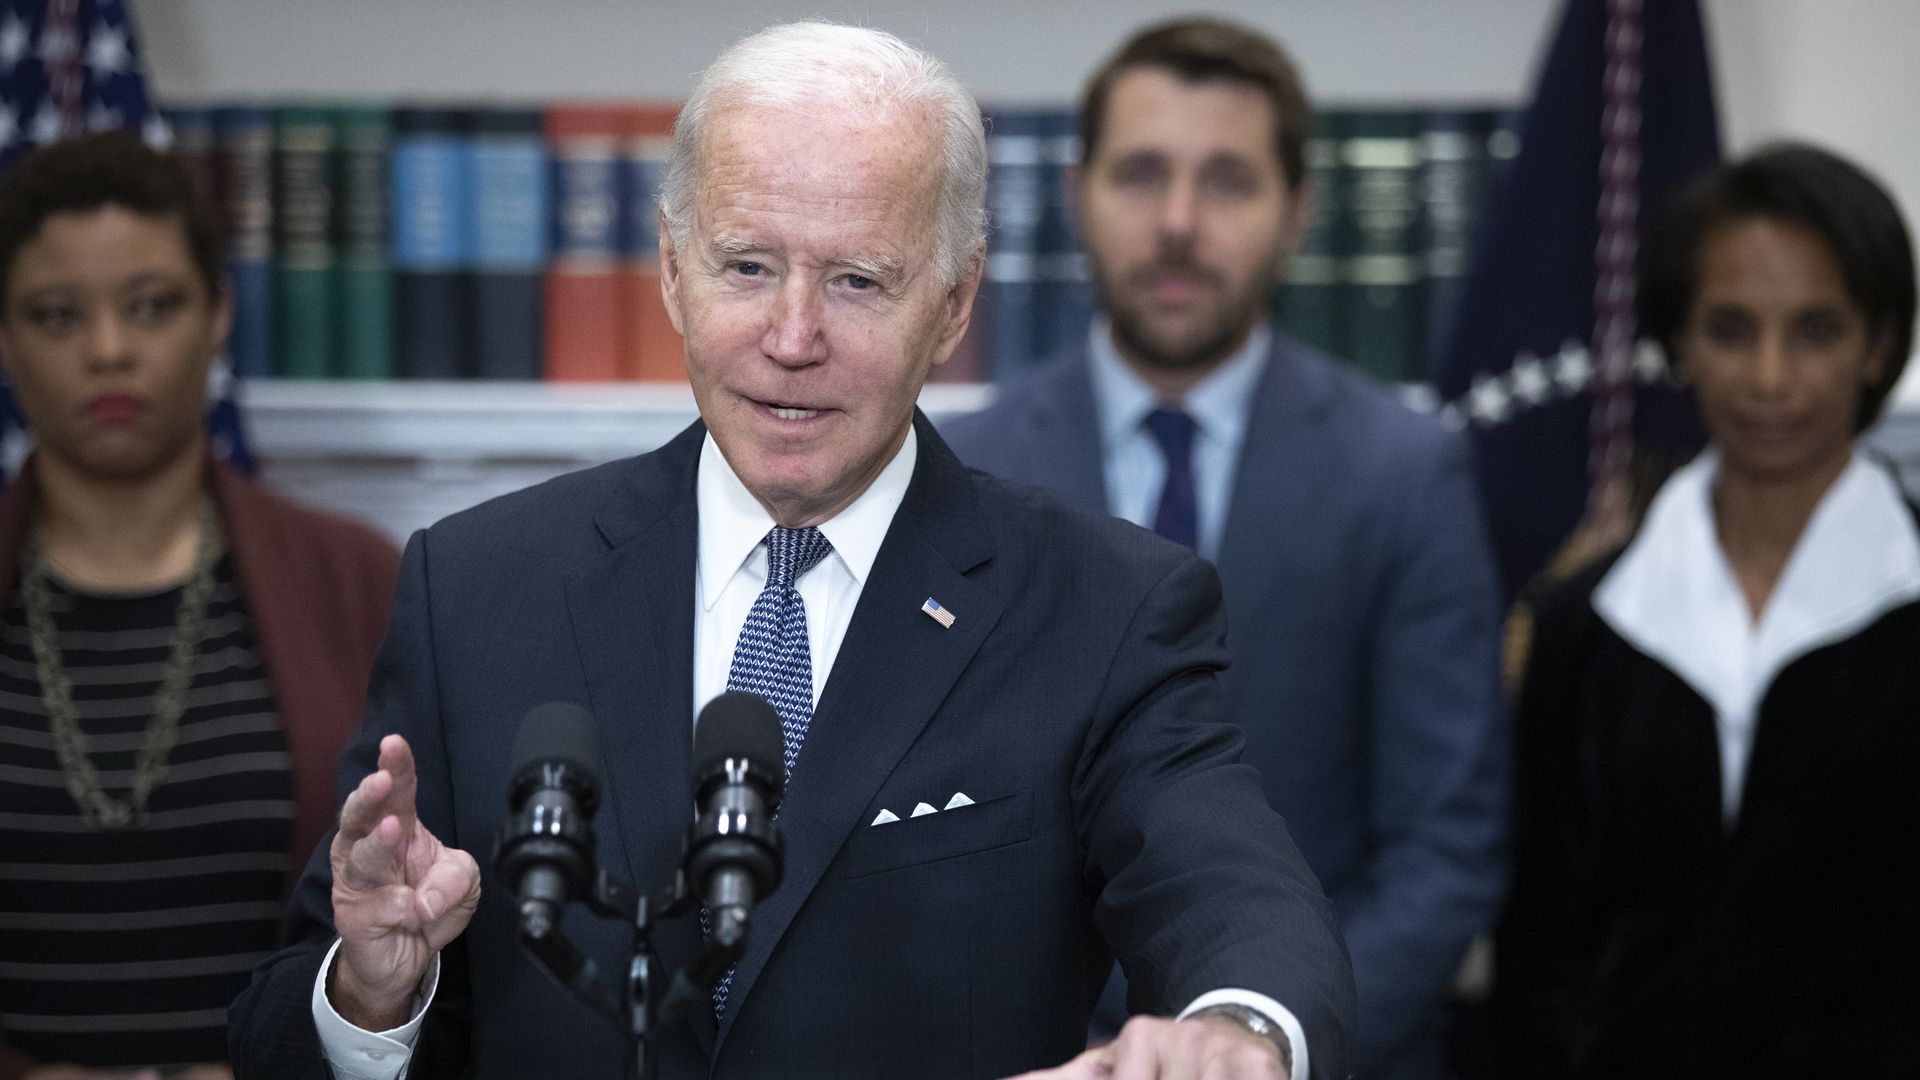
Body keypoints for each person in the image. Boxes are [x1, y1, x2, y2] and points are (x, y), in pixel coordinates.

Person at [226, 22, 1356, 1080]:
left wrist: (1238, 1032)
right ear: (673, 270)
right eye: (748, 268)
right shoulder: (475, 589)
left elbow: (1236, 897)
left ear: (954, 303)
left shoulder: (1104, 607)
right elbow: (284, 1021)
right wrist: (371, 993)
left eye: (858, 280)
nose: (793, 338)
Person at [942, 19, 1504, 1079]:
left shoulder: (1404, 474)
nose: (1178, 222)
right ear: (1076, 195)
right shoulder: (964, 471)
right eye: (1141, 174)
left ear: (1299, 210)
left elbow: (1445, 854)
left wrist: (1264, 1044)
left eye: (1228, 181)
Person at [1490, 143, 1920, 1078]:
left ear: (1879, 345)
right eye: (1730, 329)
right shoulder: (1583, 626)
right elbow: (1539, 953)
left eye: (1815, 331)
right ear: (1680, 342)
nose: (1770, 377)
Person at [0, 132, 401, 1079]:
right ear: (6, 338)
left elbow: (423, 919)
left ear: (219, 313)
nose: (108, 350)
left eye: (151, 305)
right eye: (58, 315)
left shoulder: (356, 582)